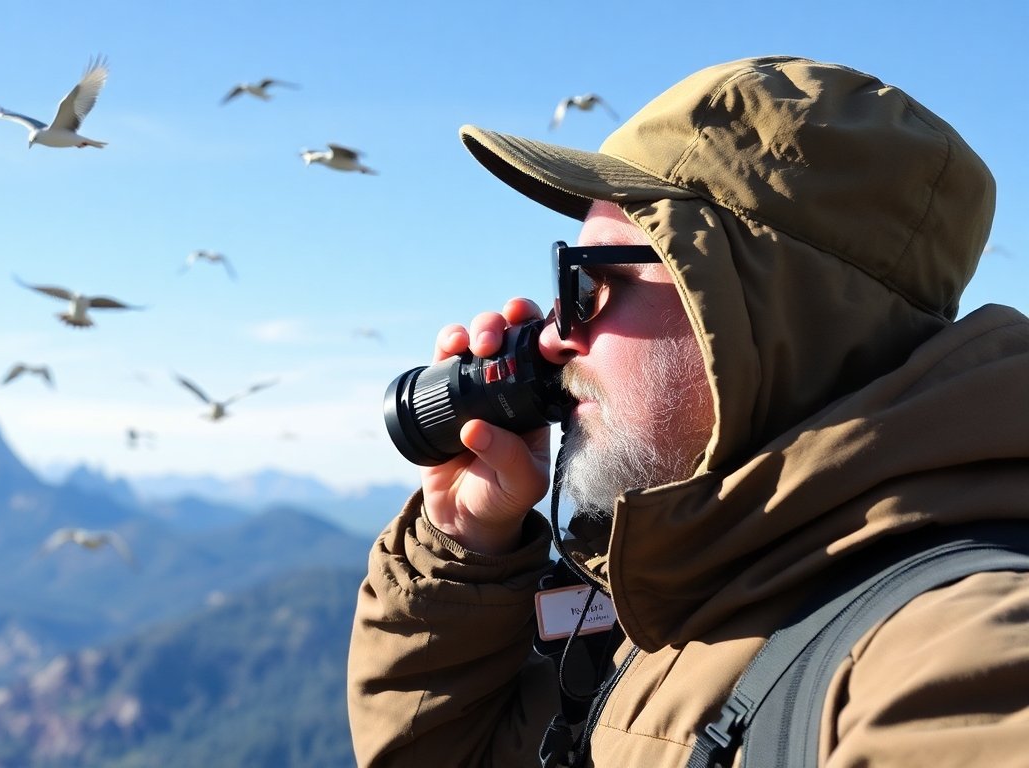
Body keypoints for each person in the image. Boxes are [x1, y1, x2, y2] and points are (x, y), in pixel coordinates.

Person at [347, 55, 1029, 767]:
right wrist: (465, 543)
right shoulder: (694, 580)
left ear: (755, 318)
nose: (555, 333)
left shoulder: (948, 654)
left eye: (595, 282)